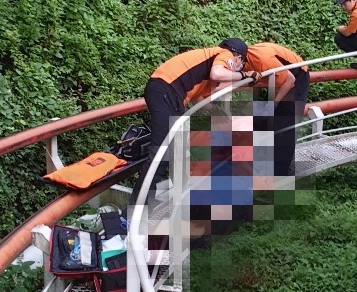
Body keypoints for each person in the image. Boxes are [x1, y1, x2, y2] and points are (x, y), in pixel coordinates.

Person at [130, 38, 254, 204]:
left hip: (170, 95)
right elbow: (218, 73)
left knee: (179, 151)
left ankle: (183, 200)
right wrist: (244, 75)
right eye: (242, 62)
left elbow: (198, 99)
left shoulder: (207, 67)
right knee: (161, 153)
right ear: (237, 57)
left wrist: (216, 111)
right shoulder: (224, 54)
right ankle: (136, 210)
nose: (240, 66)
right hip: (166, 91)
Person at [245, 41, 310, 176]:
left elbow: (290, 80)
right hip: (279, 80)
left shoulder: (262, 59)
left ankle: (280, 174)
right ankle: (262, 166)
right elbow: (254, 81)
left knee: (286, 127)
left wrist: (273, 104)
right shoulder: (244, 60)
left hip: (296, 77)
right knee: (264, 120)